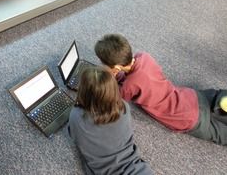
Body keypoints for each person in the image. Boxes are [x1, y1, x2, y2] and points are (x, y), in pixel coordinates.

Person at [94, 33, 227, 145]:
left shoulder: (129, 86)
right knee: (217, 101)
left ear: (116, 67)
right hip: (192, 97)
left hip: (185, 117)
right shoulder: (144, 57)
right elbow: (135, 77)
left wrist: (110, 75)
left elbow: (114, 96)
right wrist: (117, 72)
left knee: (219, 133)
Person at [67, 66, 153, 175]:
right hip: (137, 168)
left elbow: (73, 134)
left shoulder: (76, 115)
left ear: (83, 91)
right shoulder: (123, 106)